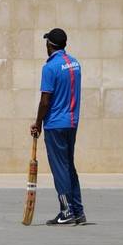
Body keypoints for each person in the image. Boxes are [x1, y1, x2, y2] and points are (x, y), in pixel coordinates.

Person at [30, 28, 86, 225]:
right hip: (72, 122)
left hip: (55, 124)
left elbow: (45, 100)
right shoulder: (75, 64)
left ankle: (66, 210)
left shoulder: (50, 67)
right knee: (69, 165)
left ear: (50, 45)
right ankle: (78, 210)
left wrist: (38, 123)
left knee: (59, 168)